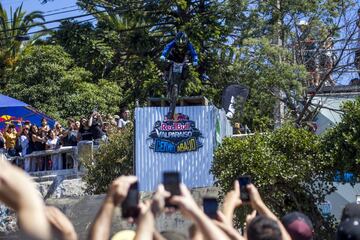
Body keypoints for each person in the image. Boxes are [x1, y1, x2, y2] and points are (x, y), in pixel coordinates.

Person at [160, 32, 199, 97]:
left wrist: (195, 60)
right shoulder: (173, 42)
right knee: (167, 63)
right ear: (176, 40)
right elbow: (167, 48)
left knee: (186, 68)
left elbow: (193, 53)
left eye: (183, 44)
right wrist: (163, 55)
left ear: (186, 41)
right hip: (172, 57)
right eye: (178, 44)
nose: (180, 46)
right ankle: (165, 78)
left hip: (182, 59)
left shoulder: (189, 44)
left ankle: (180, 85)